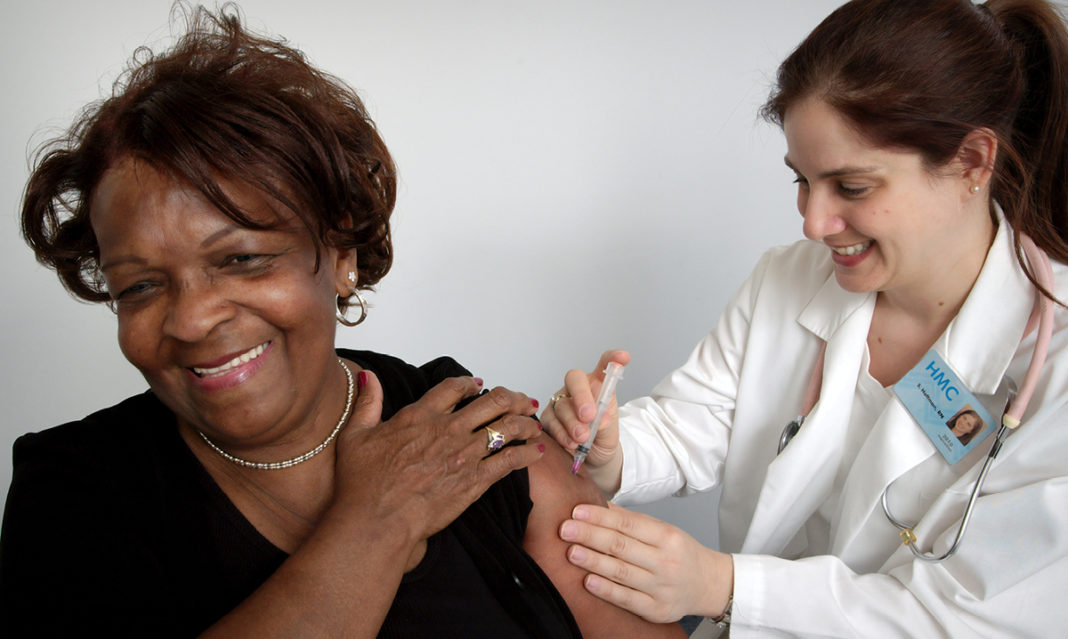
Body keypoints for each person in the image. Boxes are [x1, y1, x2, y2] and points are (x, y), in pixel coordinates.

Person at [0, 7, 686, 638]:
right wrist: (377, 521)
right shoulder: (76, 493)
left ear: (342, 255)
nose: (191, 317)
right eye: (141, 285)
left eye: (240, 258)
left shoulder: (464, 426)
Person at [542, 0, 1068, 636]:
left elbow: (964, 618)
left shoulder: (1054, 364)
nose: (814, 224)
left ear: (972, 163)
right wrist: (613, 451)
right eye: (802, 180)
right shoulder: (789, 279)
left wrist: (724, 584)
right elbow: (699, 422)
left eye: (852, 188)